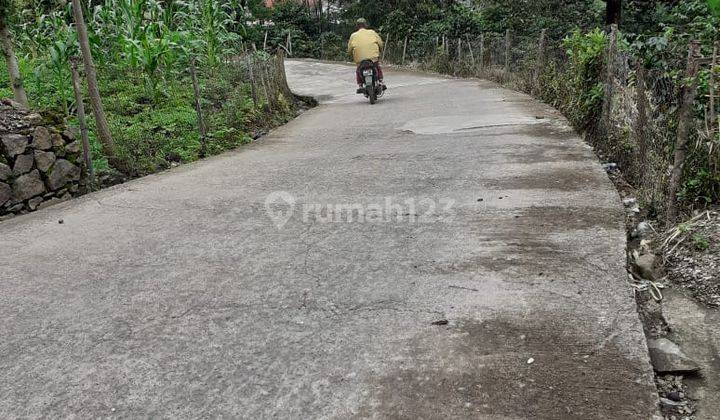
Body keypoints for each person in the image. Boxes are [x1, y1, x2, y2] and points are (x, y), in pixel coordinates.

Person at [347, 18, 386, 93]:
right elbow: (380, 43)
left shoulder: (353, 35)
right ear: (365, 25)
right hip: (373, 58)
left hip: (360, 60)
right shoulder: (372, 32)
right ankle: (380, 81)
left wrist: (351, 55)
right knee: (377, 67)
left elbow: (349, 49)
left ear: (357, 26)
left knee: (358, 71)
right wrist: (380, 50)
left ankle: (360, 85)